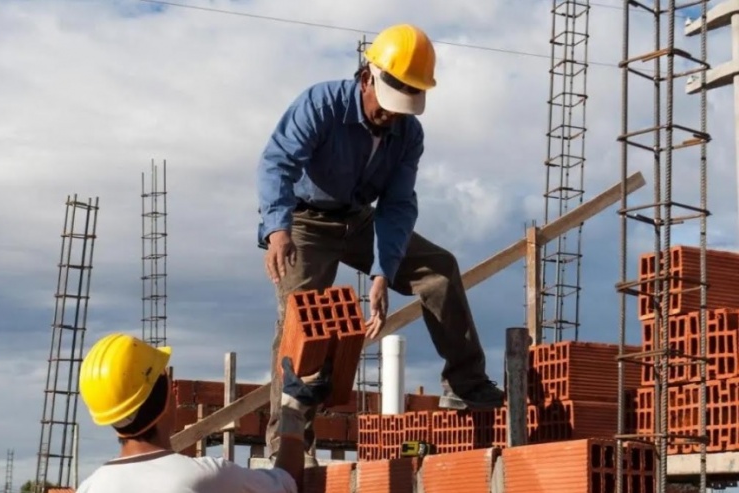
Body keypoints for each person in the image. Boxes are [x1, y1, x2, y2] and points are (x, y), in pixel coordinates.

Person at [255, 23, 505, 461]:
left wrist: (381, 273)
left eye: (405, 104)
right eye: (390, 102)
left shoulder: (408, 134)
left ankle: (466, 385)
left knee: (438, 269)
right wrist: (278, 230)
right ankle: (289, 444)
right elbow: (277, 163)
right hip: (305, 223)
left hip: (359, 219)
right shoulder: (321, 105)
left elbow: (398, 206)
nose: (393, 114)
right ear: (367, 77)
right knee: (305, 323)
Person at [76, 332, 334, 493]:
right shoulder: (203, 478)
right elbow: (286, 481)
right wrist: (293, 410)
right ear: (167, 398)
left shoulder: (90, 487)